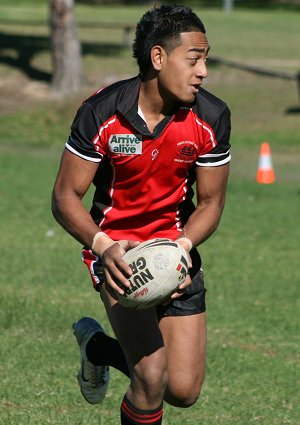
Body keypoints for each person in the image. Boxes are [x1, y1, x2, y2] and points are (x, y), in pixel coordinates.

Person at [52, 4, 231, 425]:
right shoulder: (102, 113)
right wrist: (103, 246)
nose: (203, 71)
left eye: (205, 59)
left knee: (182, 390)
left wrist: (181, 248)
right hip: (117, 253)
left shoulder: (211, 116)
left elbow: (211, 203)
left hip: (175, 249)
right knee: (150, 378)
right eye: (194, 59)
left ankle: (97, 348)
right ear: (158, 58)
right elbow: (65, 196)